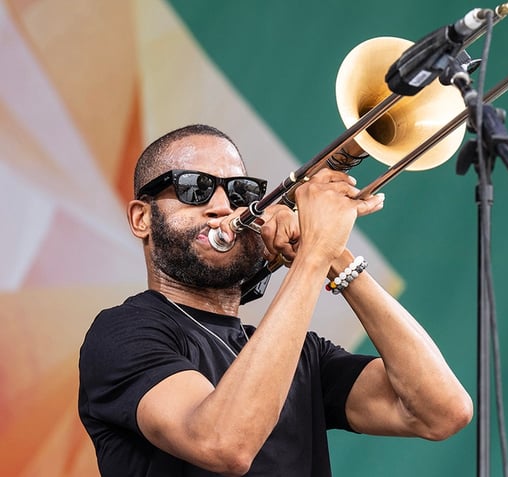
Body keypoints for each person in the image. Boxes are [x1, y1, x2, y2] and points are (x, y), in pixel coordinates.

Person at [78, 124, 473, 477]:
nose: (221, 207)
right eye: (193, 188)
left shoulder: (302, 354)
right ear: (141, 218)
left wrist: (337, 258)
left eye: (239, 193)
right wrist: (315, 255)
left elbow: (442, 412)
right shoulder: (123, 332)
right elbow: (223, 444)